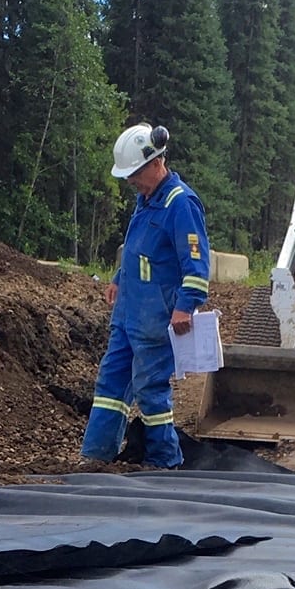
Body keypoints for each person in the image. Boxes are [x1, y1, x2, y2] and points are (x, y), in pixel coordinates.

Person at [81, 123, 211, 468]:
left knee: (151, 390)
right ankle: (96, 455)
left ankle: (164, 463)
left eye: (134, 173)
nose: (130, 181)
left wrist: (185, 307)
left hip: (156, 319)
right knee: (110, 383)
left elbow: (196, 265)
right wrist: (119, 277)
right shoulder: (146, 200)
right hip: (128, 314)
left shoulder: (180, 204)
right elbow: (140, 248)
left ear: (156, 163)